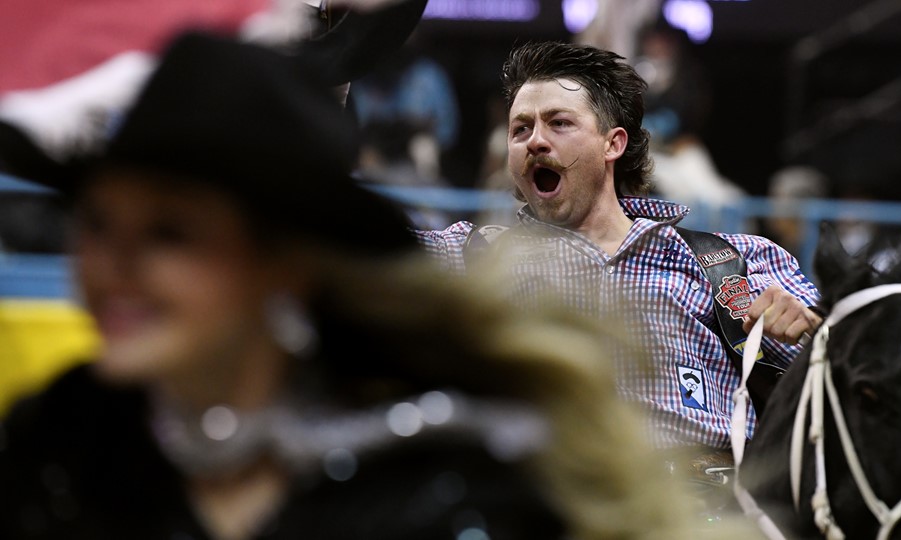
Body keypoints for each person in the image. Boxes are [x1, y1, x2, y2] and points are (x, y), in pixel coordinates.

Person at [0, 32, 759, 540]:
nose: (112, 268)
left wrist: (803, 323)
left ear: (283, 259)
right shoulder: (56, 444)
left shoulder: (435, 491)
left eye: (170, 234)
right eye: (94, 224)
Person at [416, 41, 822, 461]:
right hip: (538, 488)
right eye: (520, 129)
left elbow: (846, 355)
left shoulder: (731, 260)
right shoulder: (467, 256)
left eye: (559, 123)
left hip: (699, 494)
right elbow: (367, 252)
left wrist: (805, 325)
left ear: (613, 144)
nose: (535, 140)